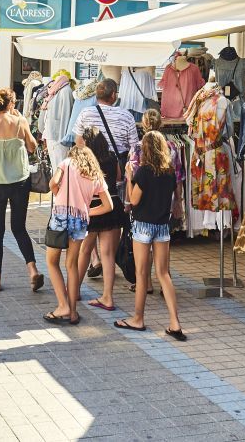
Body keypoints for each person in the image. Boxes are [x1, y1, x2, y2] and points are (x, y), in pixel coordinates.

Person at [116, 130, 186, 340]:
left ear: (145, 149)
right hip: (162, 226)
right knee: (163, 273)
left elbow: (134, 200)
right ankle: (175, 322)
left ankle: (138, 318)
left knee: (141, 274)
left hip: (143, 226)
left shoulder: (144, 172)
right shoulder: (169, 172)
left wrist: (129, 178)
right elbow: (174, 196)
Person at [0, 88, 43, 294]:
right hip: (20, 182)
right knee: (19, 228)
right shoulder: (20, 123)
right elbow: (32, 147)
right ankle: (32, 269)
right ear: (12, 104)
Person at [44, 143, 113, 325]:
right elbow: (108, 206)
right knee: (71, 264)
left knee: (52, 261)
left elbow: (52, 182)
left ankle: (62, 305)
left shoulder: (66, 163)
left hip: (61, 215)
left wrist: (58, 193)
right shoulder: (95, 174)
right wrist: (87, 212)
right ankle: (73, 312)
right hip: (80, 220)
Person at [77, 125, 123, 312]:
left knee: (84, 251)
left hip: (92, 207)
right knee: (108, 254)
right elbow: (119, 179)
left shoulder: (86, 161)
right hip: (112, 206)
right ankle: (108, 297)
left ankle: (74, 289)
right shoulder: (112, 158)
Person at [73, 78, 140, 170]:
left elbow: (79, 141)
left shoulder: (85, 113)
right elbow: (134, 147)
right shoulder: (126, 116)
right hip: (118, 167)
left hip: (92, 166)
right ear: (113, 94)